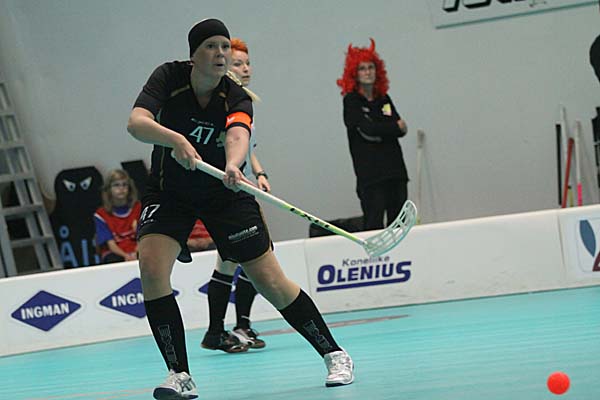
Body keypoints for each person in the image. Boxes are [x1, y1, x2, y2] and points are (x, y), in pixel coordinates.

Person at [127, 18, 354, 399]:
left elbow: (238, 134)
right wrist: (175, 140)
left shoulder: (235, 96)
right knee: (151, 269)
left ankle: (335, 353)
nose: (220, 53)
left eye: (224, 46)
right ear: (194, 54)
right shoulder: (168, 77)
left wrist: (234, 164)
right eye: (211, 46)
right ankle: (179, 375)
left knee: (270, 282)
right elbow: (136, 123)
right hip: (169, 192)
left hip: (223, 192)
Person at [200, 37, 270, 353]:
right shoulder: (223, 102)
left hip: (246, 187)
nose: (245, 68)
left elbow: (246, 145)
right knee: (235, 260)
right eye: (238, 63)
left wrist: (260, 173)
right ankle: (223, 330)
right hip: (230, 193)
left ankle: (233, 327)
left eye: (247, 63)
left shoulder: (244, 101)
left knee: (235, 260)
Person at [336, 38, 409, 231]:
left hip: (395, 171)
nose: (368, 72)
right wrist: (391, 128)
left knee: (400, 226)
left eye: (371, 67)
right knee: (374, 225)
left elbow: (403, 129)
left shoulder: (384, 99)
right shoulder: (352, 101)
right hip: (371, 175)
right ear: (354, 73)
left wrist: (383, 128)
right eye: (362, 69)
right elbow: (368, 130)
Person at [93, 169, 141, 264]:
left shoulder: (139, 208)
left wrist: (136, 252)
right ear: (108, 189)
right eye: (116, 185)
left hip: (137, 250)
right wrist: (126, 256)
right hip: (115, 253)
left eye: (124, 184)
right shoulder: (101, 214)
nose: (121, 188)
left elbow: (144, 238)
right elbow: (110, 244)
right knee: (112, 259)